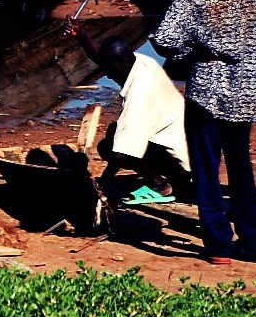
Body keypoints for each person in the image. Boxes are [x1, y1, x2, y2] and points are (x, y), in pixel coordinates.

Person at [149, 0, 256, 264]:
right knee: (241, 168)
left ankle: (219, 246)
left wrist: (192, 48)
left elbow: (163, 40)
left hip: (208, 93)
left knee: (206, 171)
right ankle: (254, 244)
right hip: (248, 93)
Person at [74, 31, 191, 205]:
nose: (105, 74)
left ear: (124, 63)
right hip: (189, 146)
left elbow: (122, 154)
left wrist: (104, 181)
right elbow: (104, 57)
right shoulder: (141, 62)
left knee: (110, 146)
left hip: (183, 164)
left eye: (109, 68)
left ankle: (160, 185)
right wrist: (80, 35)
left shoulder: (138, 95)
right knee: (115, 133)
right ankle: (160, 177)